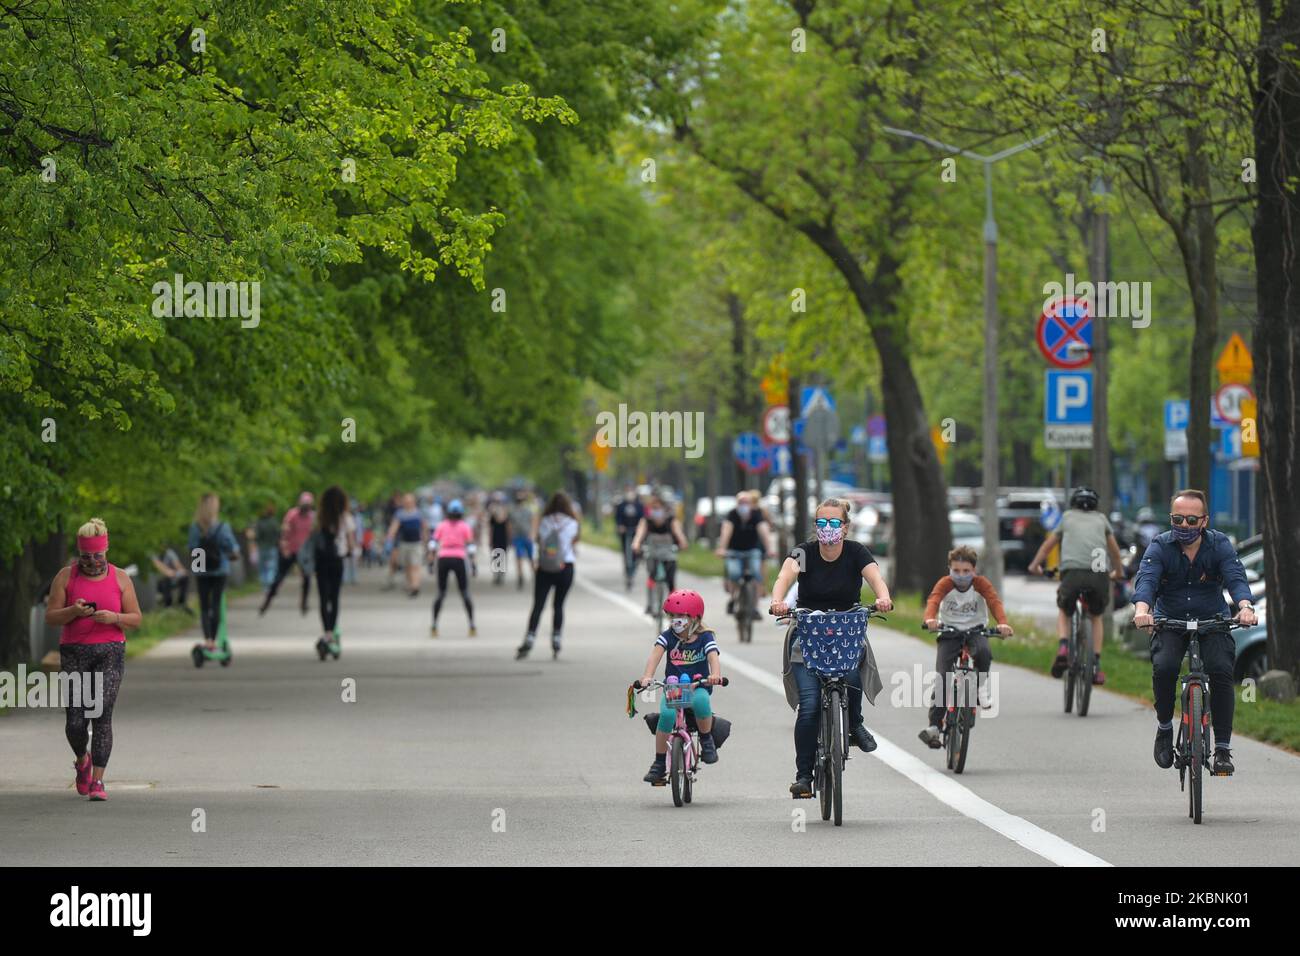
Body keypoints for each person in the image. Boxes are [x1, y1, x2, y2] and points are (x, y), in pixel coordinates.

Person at [769, 498, 894, 798]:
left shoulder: (855, 552)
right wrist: (778, 601)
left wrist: (883, 597)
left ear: (846, 528)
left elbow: (875, 576)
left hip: (846, 634)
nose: (827, 529)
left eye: (834, 523)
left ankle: (855, 724)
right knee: (810, 706)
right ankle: (804, 776)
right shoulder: (804, 552)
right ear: (816, 526)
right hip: (808, 634)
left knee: (852, 678)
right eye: (821, 523)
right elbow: (784, 576)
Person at [1132, 489, 1257, 775]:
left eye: (1191, 519)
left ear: (1204, 520)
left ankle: (1223, 749)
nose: (1184, 526)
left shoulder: (1220, 544)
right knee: (1164, 668)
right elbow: (1147, 580)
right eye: (1178, 519)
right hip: (1169, 620)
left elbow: (1236, 577)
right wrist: (1142, 610)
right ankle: (1165, 727)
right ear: (1171, 518)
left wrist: (1245, 606)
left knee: (1222, 671)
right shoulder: (1160, 546)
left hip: (1211, 620)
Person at [45, 518, 142, 801]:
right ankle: (82, 760)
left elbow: (136, 618)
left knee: (102, 714)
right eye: (86, 556)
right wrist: (72, 612)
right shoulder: (66, 577)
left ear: (106, 550)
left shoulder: (120, 577)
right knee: (75, 722)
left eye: (97, 555)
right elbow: (51, 617)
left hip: (110, 650)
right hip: (74, 651)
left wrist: (115, 618)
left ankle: (98, 781)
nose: (92, 561)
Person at [1028, 486, 1125, 687]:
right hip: (1099, 573)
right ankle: (1096, 664)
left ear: (1073, 503)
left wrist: (1035, 565)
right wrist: (1119, 572)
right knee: (1096, 616)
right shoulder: (1101, 519)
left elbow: (1049, 546)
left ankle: (1063, 646)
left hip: (1072, 572)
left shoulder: (1068, 517)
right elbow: (1114, 551)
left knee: (1064, 609)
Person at [918, 546, 1013, 748]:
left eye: (966, 571)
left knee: (985, 653)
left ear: (974, 570)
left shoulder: (981, 584)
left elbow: (994, 602)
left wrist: (1003, 623)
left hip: (975, 630)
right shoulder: (946, 583)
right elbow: (934, 600)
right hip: (950, 632)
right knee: (943, 678)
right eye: (956, 571)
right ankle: (934, 726)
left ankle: (979, 688)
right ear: (950, 569)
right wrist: (930, 619)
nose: (961, 576)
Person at [636, 590, 723, 784]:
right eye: (673, 616)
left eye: (681, 616)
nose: (676, 620)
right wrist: (647, 677)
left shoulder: (705, 637)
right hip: (675, 687)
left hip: (697, 684)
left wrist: (715, 675)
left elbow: (713, 657)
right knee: (667, 716)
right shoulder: (668, 636)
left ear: (695, 618)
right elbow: (655, 656)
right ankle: (659, 763)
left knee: (701, 702)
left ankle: (707, 740)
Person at [516, 492, 581, 660]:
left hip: (545, 567)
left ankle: (530, 637)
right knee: (558, 605)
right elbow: (574, 542)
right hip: (566, 566)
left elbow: (537, 540)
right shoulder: (572, 523)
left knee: (538, 605)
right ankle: (556, 638)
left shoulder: (544, 521)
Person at [188, 493, 241, 651]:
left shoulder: (195, 527)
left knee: (204, 606)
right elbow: (232, 547)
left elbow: (192, 547)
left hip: (201, 568)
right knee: (216, 604)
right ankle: (215, 639)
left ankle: (208, 639)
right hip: (220, 568)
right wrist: (233, 553)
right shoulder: (222, 526)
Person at [715, 490, 776, 617]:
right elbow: (726, 531)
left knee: (756, 574)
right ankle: (733, 599)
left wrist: (769, 548)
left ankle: (754, 606)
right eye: (741, 502)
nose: (744, 505)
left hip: (752, 550)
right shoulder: (732, 514)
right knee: (734, 574)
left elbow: (763, 530)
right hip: (734, 551)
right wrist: (722, 548)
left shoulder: (756, 514)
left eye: (746, 502)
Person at [313, 486, 357, 651]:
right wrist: (352, 552)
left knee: (323, 598)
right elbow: (351, 543)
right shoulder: (345, 518)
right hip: (337, 560)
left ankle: (327, 632)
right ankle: (332, 629)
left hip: (321, 561)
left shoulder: (320, 518)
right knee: (335, 597)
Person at [630, 493, 689, 615]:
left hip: (668, 554)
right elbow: (639, 534)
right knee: (652, 576)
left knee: (671, 580)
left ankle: (675, 606)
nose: (656, 511)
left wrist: (683, 543)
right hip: (653, 554)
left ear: (664, 509)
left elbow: (679, 534)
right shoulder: (646, 521)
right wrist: (636, 544)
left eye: (658, 508)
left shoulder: (671, 521)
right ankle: (650, 604)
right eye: (653, 508)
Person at [259, 492, 316, 616]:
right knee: (279, 577)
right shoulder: (292, 514)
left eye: (308, 505)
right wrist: (284, 547)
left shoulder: (312, 517)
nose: (306, 508)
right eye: (304, 505)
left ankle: (304, 603)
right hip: (291, 550)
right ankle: (267, 602)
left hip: (304, 553)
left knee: (307, 579)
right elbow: (284, 532)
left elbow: (314, 535)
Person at [430, 499, 476, 637]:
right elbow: (471, 547)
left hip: (443, 558)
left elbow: (433, 544)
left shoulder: (441, 526)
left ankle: (434, 625)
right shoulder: (465, 526)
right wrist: (473, 565)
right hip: (459, 558)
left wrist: (431, 561)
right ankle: (472, 624)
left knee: (441, 593)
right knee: (464, 593)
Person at [384, 493, 427, 596]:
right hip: (404, 543)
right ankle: (410, 584)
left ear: (413, 502)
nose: (408, 503)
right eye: (406, 501)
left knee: (415, 566)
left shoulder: (418, 513)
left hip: (416, 543)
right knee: (408, 566)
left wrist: (425, 540)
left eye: (410, 501)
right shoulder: (400, 514)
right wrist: (389, 537)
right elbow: (394, 526)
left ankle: (415, 586)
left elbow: (424, 526)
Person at [614, 487, 644, 587]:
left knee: (637, 552)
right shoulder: (621, 505)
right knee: (626, 552)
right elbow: (618, 517)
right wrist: (620, 526)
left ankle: (633, 568)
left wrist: (639, 527)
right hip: (625, 532)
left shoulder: (639, 505)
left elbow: (642, 518)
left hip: (636, 532)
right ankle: (628, 571)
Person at [508, 490, 536, 591]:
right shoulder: (527, 510)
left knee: (524, 558)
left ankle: (523, 577)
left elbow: (510, 526)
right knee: (528, 558)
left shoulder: (514, 511)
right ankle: (525, 576)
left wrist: (511, 537)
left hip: (521, 536)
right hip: (523, 536)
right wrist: (532, 535)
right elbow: (533, 522)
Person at [249, 502, 280, 589]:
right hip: (272, 548)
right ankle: (270, 582)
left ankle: (264, 585)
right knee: (272, 566)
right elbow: (278, 535)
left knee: (262, 568)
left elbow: (257, 536)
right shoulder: (274, 522)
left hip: (262, 548)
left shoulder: (260, 522)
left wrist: (257, 542)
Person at [150, 544, 190, 612]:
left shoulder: (169, 553)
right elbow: (161, 567)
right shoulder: (153, 554)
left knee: (184, 577)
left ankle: (181, 603)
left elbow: (178, 566)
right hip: (157, 582)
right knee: (166, 578)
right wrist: (171, 572)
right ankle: (168, 605)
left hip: (170, 578)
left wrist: (180, 571)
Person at [486, 494, 511, 586]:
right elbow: (491, 529)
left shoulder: (505, 514)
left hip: (501, 537)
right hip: (497, 537)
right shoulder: (494, 515)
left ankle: (500, 575)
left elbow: (508, 527)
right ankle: (497, 575)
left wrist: (509, 537)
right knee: (497, 555)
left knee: (500, 555)